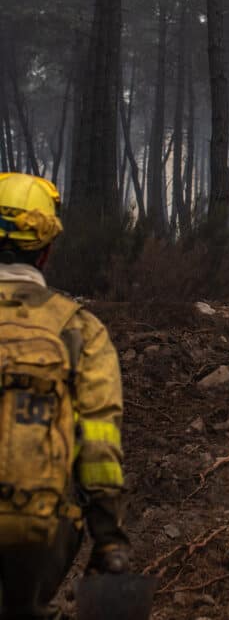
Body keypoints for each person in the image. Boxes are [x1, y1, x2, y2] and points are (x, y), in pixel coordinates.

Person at [0, 173, 129, 620]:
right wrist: (109, 538)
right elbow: (98, 440)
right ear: (47, 250)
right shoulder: (80, 330)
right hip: (38, 528)